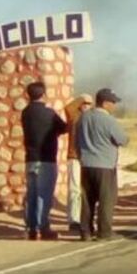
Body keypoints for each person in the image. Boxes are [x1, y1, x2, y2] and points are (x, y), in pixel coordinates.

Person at [76, 88, 130, 241]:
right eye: (112, 102)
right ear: (105, 103)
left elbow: (76, 140)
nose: (114, 105)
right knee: (106, 199)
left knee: (87, 199)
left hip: (86, 163)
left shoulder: (84, 117)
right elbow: (122, 140)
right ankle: (104, 232)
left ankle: (85, 231)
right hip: (105, 164)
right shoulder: (109, 120)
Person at [21, 82, 67, 240]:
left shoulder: (25, 112)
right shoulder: (49, 113)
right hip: (46, 158)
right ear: (43, 94)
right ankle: (42, 227)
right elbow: (63, 128)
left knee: (32, 194)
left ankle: (31, 228)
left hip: (30, 158)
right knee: (43, 195)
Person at [63, 93, 93, 232]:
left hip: (88, 158)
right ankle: (73, 219)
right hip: (74, 157)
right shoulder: (74, 118)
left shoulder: (92, 119)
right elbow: (68, 108)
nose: (86, 106)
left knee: (86, 191)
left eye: (89, 104)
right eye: (84, 104)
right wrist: (82, 98)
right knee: (74, 190)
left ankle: (85, 218)